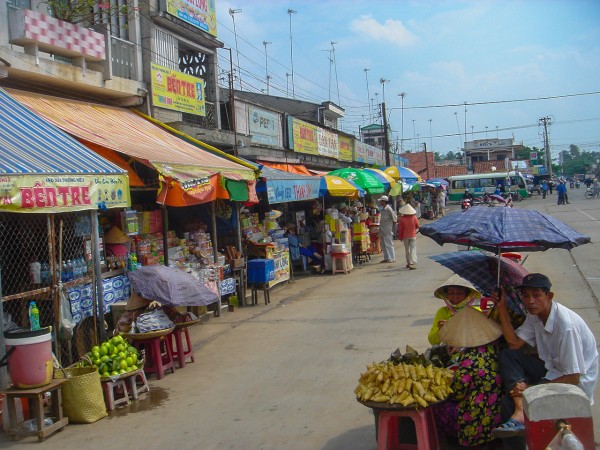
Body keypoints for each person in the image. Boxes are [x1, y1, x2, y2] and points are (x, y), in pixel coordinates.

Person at [492, 273, 598, 438]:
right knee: (508, 354)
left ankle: (519, 414)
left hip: (573, 382)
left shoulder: (565, 327)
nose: (530, 301)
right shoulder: (535, 316)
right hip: (553, 369)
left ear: (549, 296)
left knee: (507, 403)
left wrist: (532, 389)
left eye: (536, 295)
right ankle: (520, 408)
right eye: (525, 296)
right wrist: (501, 307)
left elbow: (573, 377)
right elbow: (514, 343)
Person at [433, 306, 504, 448]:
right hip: (497, 412)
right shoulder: (494, 348)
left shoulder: (468, 360)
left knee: (438, 406)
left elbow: (457, 393)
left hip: (476, 419)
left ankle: (452, 444)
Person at [428, 275, 481, 345]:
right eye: (451, 293)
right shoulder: (443, 312)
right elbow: (432, 341)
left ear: (468, 295)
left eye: (459, 293)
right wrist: (440, 330)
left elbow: (481, 338)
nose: (455, 296)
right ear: (447, 295)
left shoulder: (476, 312)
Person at [397, 203, 419, 269]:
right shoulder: (414, 217)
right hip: (413, 235)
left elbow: (400, 229)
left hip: (405, 236)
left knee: (407, 250)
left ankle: (409, 263)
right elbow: (417, 226)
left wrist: (400, 237)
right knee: (413, 249)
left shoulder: (401, 219)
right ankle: (413, 262)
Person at [377, 195, 397, 263]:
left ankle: (392, 257)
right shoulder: (382, 209)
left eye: (381, 201)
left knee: (388, 244)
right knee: (383, 244)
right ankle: (386, 257)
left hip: (387, 229)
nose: (380, 202)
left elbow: (394, 219)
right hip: (382, 229)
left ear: (384, 202)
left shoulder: (389, 209)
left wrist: (392, 228)